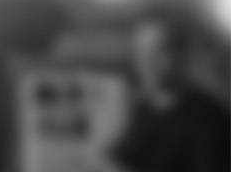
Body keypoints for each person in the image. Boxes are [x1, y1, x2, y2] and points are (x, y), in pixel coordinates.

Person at [99, 12, 231, 172]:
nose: (146, 61)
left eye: (158, 51)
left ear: (181, 56)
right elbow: (114, 159)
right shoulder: (142, 111)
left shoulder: (210, 120)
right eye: (140, 52)